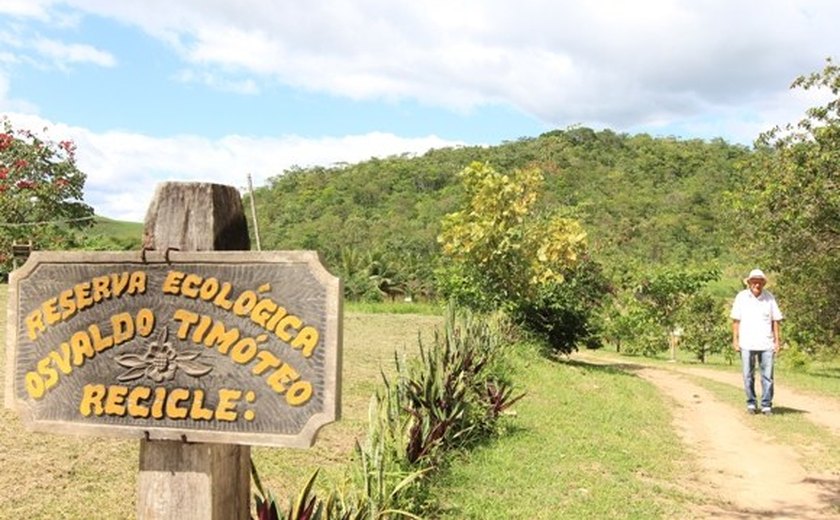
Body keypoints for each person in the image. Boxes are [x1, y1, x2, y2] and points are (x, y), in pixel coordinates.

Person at [730, 268, 783, 415]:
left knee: (767, 376)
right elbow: (736, 320)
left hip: (766, 343)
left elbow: (775, 321)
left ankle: (766, 405)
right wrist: (735, 340)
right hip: (747, 342)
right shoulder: (741, 297)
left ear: (763, 283)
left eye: (759, 282)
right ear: (749, 283)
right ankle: (751, 403)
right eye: (754, 282)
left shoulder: (769, 298)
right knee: (748, 375)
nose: (757, 285)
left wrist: (777, 342)